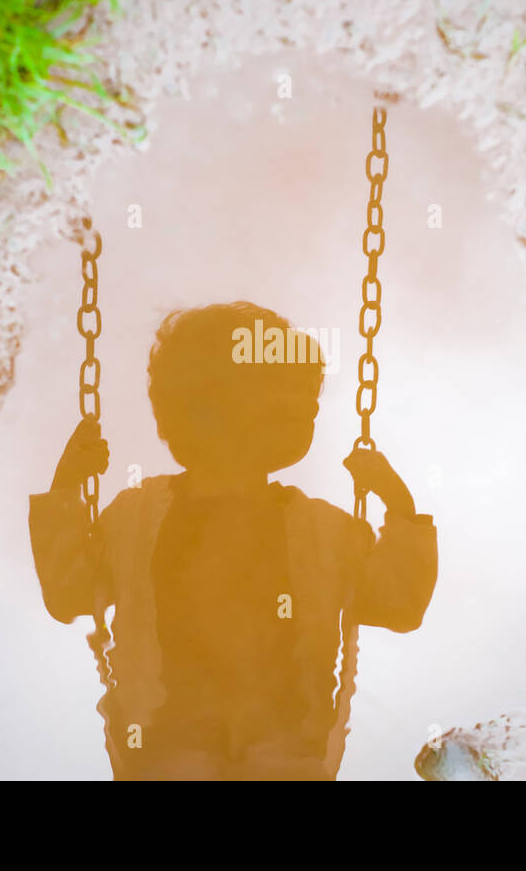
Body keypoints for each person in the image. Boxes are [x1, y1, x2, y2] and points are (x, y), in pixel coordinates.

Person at [28, 302, 436, 779]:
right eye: (286, 397)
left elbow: (399, 604)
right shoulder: (136, 518)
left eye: (307, 399)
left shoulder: (324, 529)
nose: (307, 411)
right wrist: (64, 488)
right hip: (167, 748)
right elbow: (72, 594)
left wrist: (401, 508)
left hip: (284, 750)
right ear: (202, 409)